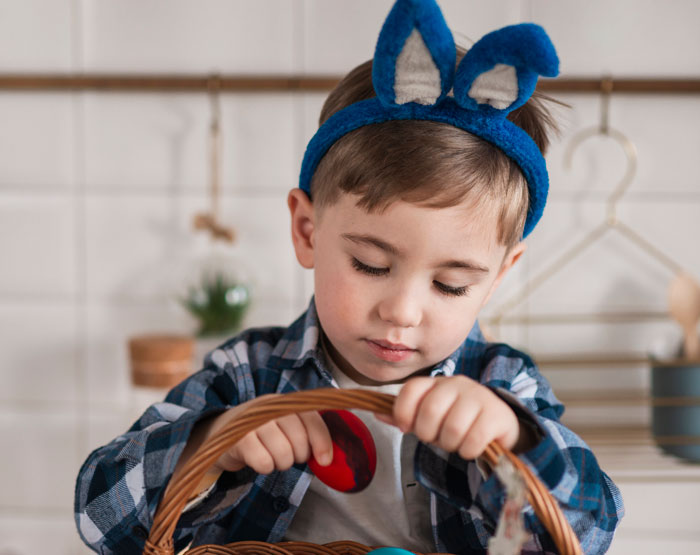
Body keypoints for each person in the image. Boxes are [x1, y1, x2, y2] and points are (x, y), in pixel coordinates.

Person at [75, 1, 624, 553]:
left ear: (500, 274)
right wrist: (215, 447)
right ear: (308, 230)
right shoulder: (248, 376)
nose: (402, 311)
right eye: (371, 265)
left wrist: (514, 444)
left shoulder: (504, 385)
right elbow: (100, 517)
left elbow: (590, 532)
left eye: (451, 285)